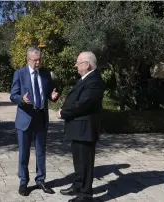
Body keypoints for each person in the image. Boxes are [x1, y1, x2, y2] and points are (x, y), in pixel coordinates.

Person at [10, 47, 59, 196]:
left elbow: (49, 92)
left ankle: (41, 180)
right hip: (25, 118)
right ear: (28, 59)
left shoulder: (45, 74)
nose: (38, 63)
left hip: (41, 118)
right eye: (35, 60)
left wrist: (53, 95)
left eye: (39, 60)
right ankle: (23, 182)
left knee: (41, 152)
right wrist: (21, 100)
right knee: (24, 153)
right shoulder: (19, 74)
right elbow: (13, 95)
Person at [56, 51, 104, 202]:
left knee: (86, 162)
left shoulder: (94, 81)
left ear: (87, 64)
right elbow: (77, 99)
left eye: (78, 63)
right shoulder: (86, 79)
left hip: (85, 129)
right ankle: (77, 185)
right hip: (78, 128)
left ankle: (85, 194)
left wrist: (63, 113)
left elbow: (83, 104)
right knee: (78, 161)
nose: (75, 66)